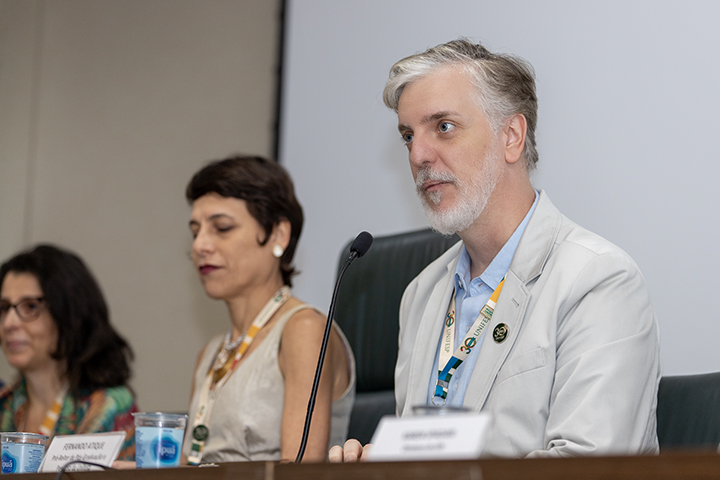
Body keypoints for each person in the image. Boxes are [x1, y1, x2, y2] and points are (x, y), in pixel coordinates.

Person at [329, 38, 660, 461]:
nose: (418, 154)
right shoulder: (421, 294)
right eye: (408, 136)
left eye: (443, 127)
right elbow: (422, 460)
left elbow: (588, 468)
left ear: (512, 137)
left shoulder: (598, 280)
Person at [182, 155, 355, 463]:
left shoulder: (303, 330)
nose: (200, 246)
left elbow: (299, 472)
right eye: (196, 231)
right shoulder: (210, 354)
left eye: (221, 228)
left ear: (278, 235)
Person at [0, 245, 137, 459]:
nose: (9, 323)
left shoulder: (109, 406)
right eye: (4, 308)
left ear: (70, 314)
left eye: (30, 307)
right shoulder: (5, 405)